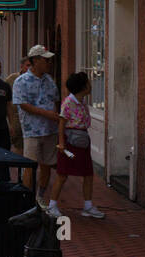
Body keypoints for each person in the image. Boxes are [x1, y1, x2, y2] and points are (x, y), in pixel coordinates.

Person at [47, 72, 104, 220]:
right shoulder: (68, 103)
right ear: (83, 87)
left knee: (88, 174)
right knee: (62, 174)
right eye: (88, 83)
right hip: (69, 141)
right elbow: (61, 124)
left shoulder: (82, 101)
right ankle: (52, 205)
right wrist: (61, 143)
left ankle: (88, 206)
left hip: (82, 140)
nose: (90, 85)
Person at [12, 44, 60, 207]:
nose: (49, 63)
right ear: (36, 61)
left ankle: (40, 196)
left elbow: (54, 99)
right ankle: (27, 199)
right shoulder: (21, 81)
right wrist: (47, 114)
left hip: (50, 130)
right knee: (30, 166)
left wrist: (55, 117)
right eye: (46, 60)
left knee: (46, 164)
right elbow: (23, 104)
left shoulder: (49, 80)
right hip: (32, 131)